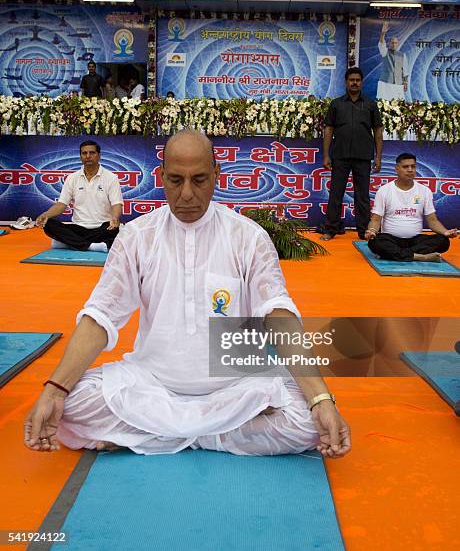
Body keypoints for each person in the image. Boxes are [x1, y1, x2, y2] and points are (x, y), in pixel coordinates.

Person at [24, 130, 351, 459]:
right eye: (176, 180)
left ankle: (158, 435)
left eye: (199, 180)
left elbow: (278, 314)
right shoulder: (137, 236)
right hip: (153, 383)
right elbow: (101, 316)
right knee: (71, 402)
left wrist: (320, 399)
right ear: (162, 176)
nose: (187, 194)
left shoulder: (248, 237)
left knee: (309, 416)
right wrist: (55, 389)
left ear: (217, 175)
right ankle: (216, 434)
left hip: (236, 386)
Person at [321, 67, 383, 241]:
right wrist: (326, 155)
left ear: (361, 82)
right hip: (339, 155)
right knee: (336, 193)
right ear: (346, 82)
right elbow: (328, 129)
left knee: (362, 195)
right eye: (351, 80)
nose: (354, 82)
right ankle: (331, 229)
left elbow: (378, 131)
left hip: (363, 156)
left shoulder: (370, 104)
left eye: (357, 80)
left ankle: (364, 230)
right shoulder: (336, 104)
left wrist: (378, 156)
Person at [365, 153, 457, 261]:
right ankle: (421, 257)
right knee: (375, 242)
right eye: (405, 167)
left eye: (413, 166)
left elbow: (432, 221)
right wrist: (371, 231)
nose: (410, 170)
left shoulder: (424, 191)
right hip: (391, 239)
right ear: (397, 169)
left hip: (415, 240)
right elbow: (376, 220)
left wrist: (445, 232)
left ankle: (397, 254)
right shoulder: (384, 190)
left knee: (443, 241)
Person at [35, 141, 123, 252]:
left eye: (92, 153)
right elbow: (62, 204)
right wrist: (46, 214)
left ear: (99, 155)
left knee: (114, 230)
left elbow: (116, 204)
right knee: (48, 224)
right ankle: (92, 246)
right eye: (84, 153)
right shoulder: (72, 178)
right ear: (80, 156)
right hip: (78, 227)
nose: (88, 156)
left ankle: (68, 242)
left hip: (102, 227)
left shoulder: (111, 178)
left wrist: (114, 218)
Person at [377, 22, 409, 101]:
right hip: (386, 83)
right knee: (384, 104)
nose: (394, 44)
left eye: (395, 43)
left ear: (398, 44)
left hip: (398, 84)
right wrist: (383, 33)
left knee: (398, 105)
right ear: (389, 43)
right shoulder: (385, 52)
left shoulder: (402, 55)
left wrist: (405, 82)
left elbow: (405, 70)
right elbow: (381, 44)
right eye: (392, 43)